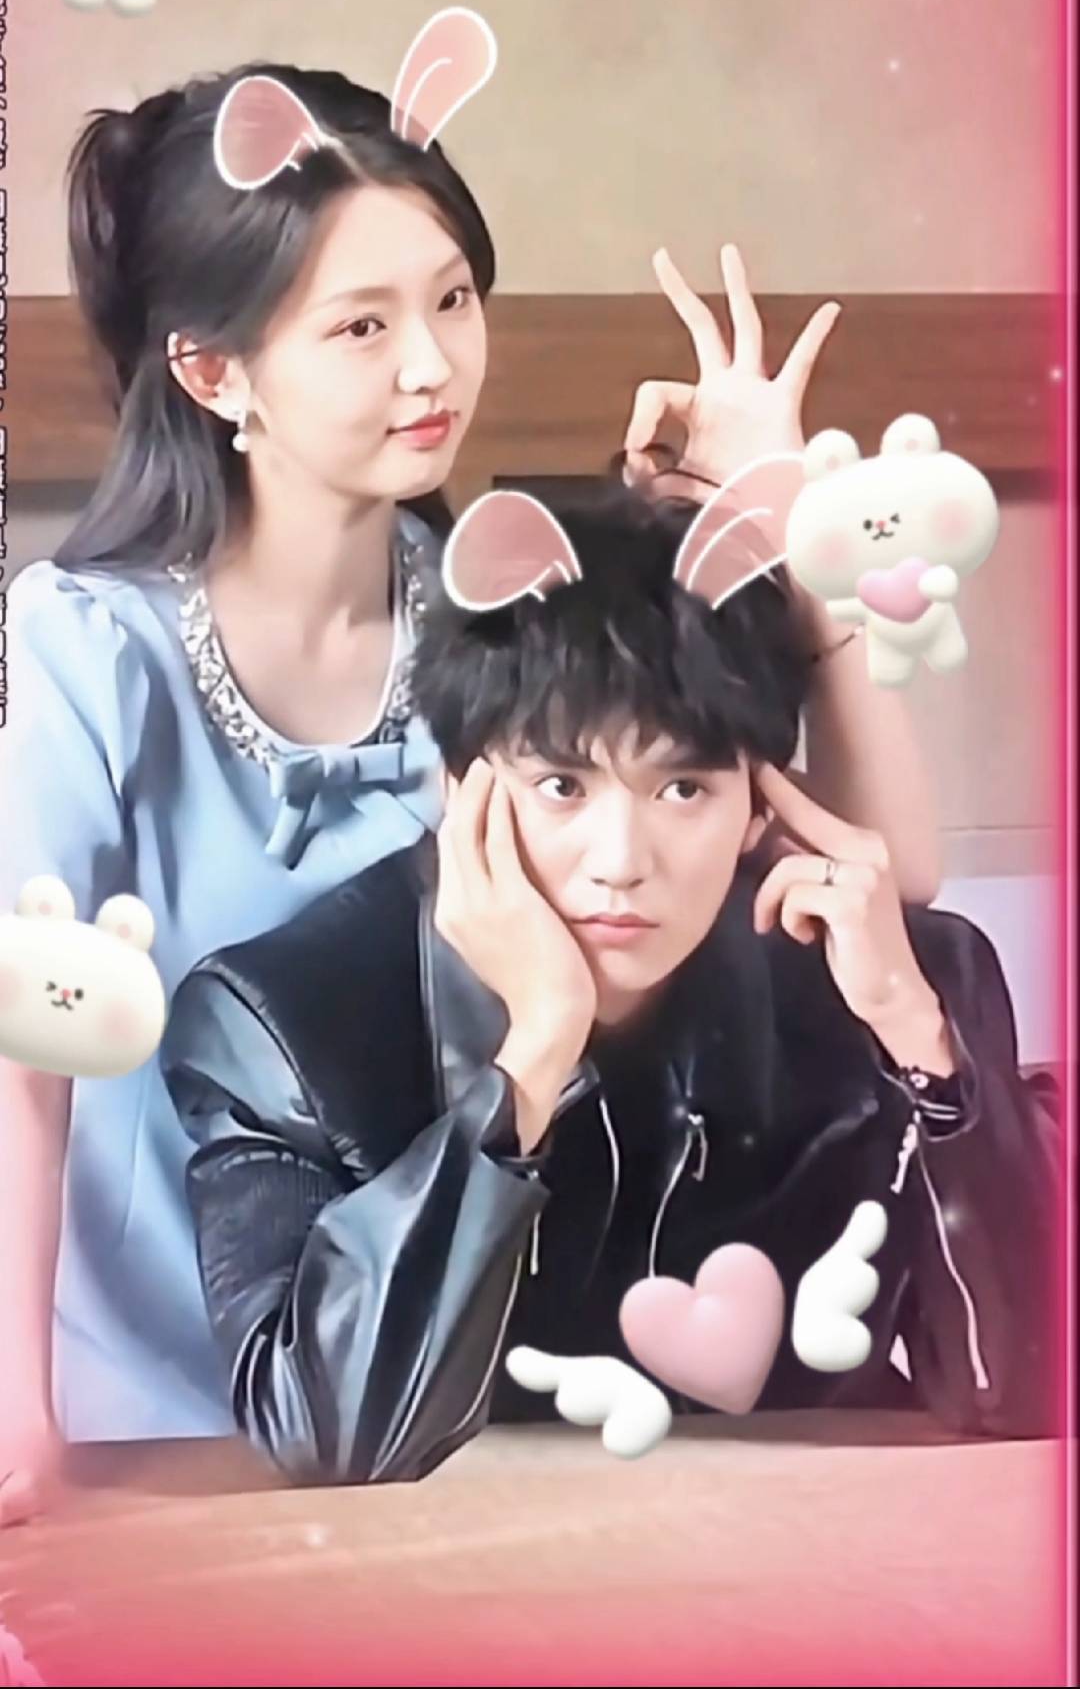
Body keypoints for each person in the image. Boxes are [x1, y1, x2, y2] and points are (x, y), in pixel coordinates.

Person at [0, 54, 940, 1519]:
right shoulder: (84, 648)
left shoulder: (496, 611)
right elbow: (23, 1054)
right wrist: (20, 1412)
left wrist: (775, 535)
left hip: (440, 1387)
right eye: (362, 325)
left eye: (451, 299)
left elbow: (888, 885)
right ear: (212, 369)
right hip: (151, 1423)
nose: (433, 364)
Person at [160, 485, 1056, 1487]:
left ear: (762, 806)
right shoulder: (280, 1025)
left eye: (683, 789)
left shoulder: (899, 984)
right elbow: (334, 1439)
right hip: (477, 1570)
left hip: (802, 1548)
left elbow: (1030, 1394)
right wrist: (530, 1064)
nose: (622, 861)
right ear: (460, 787)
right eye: (562, 786)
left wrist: (919, 1042)